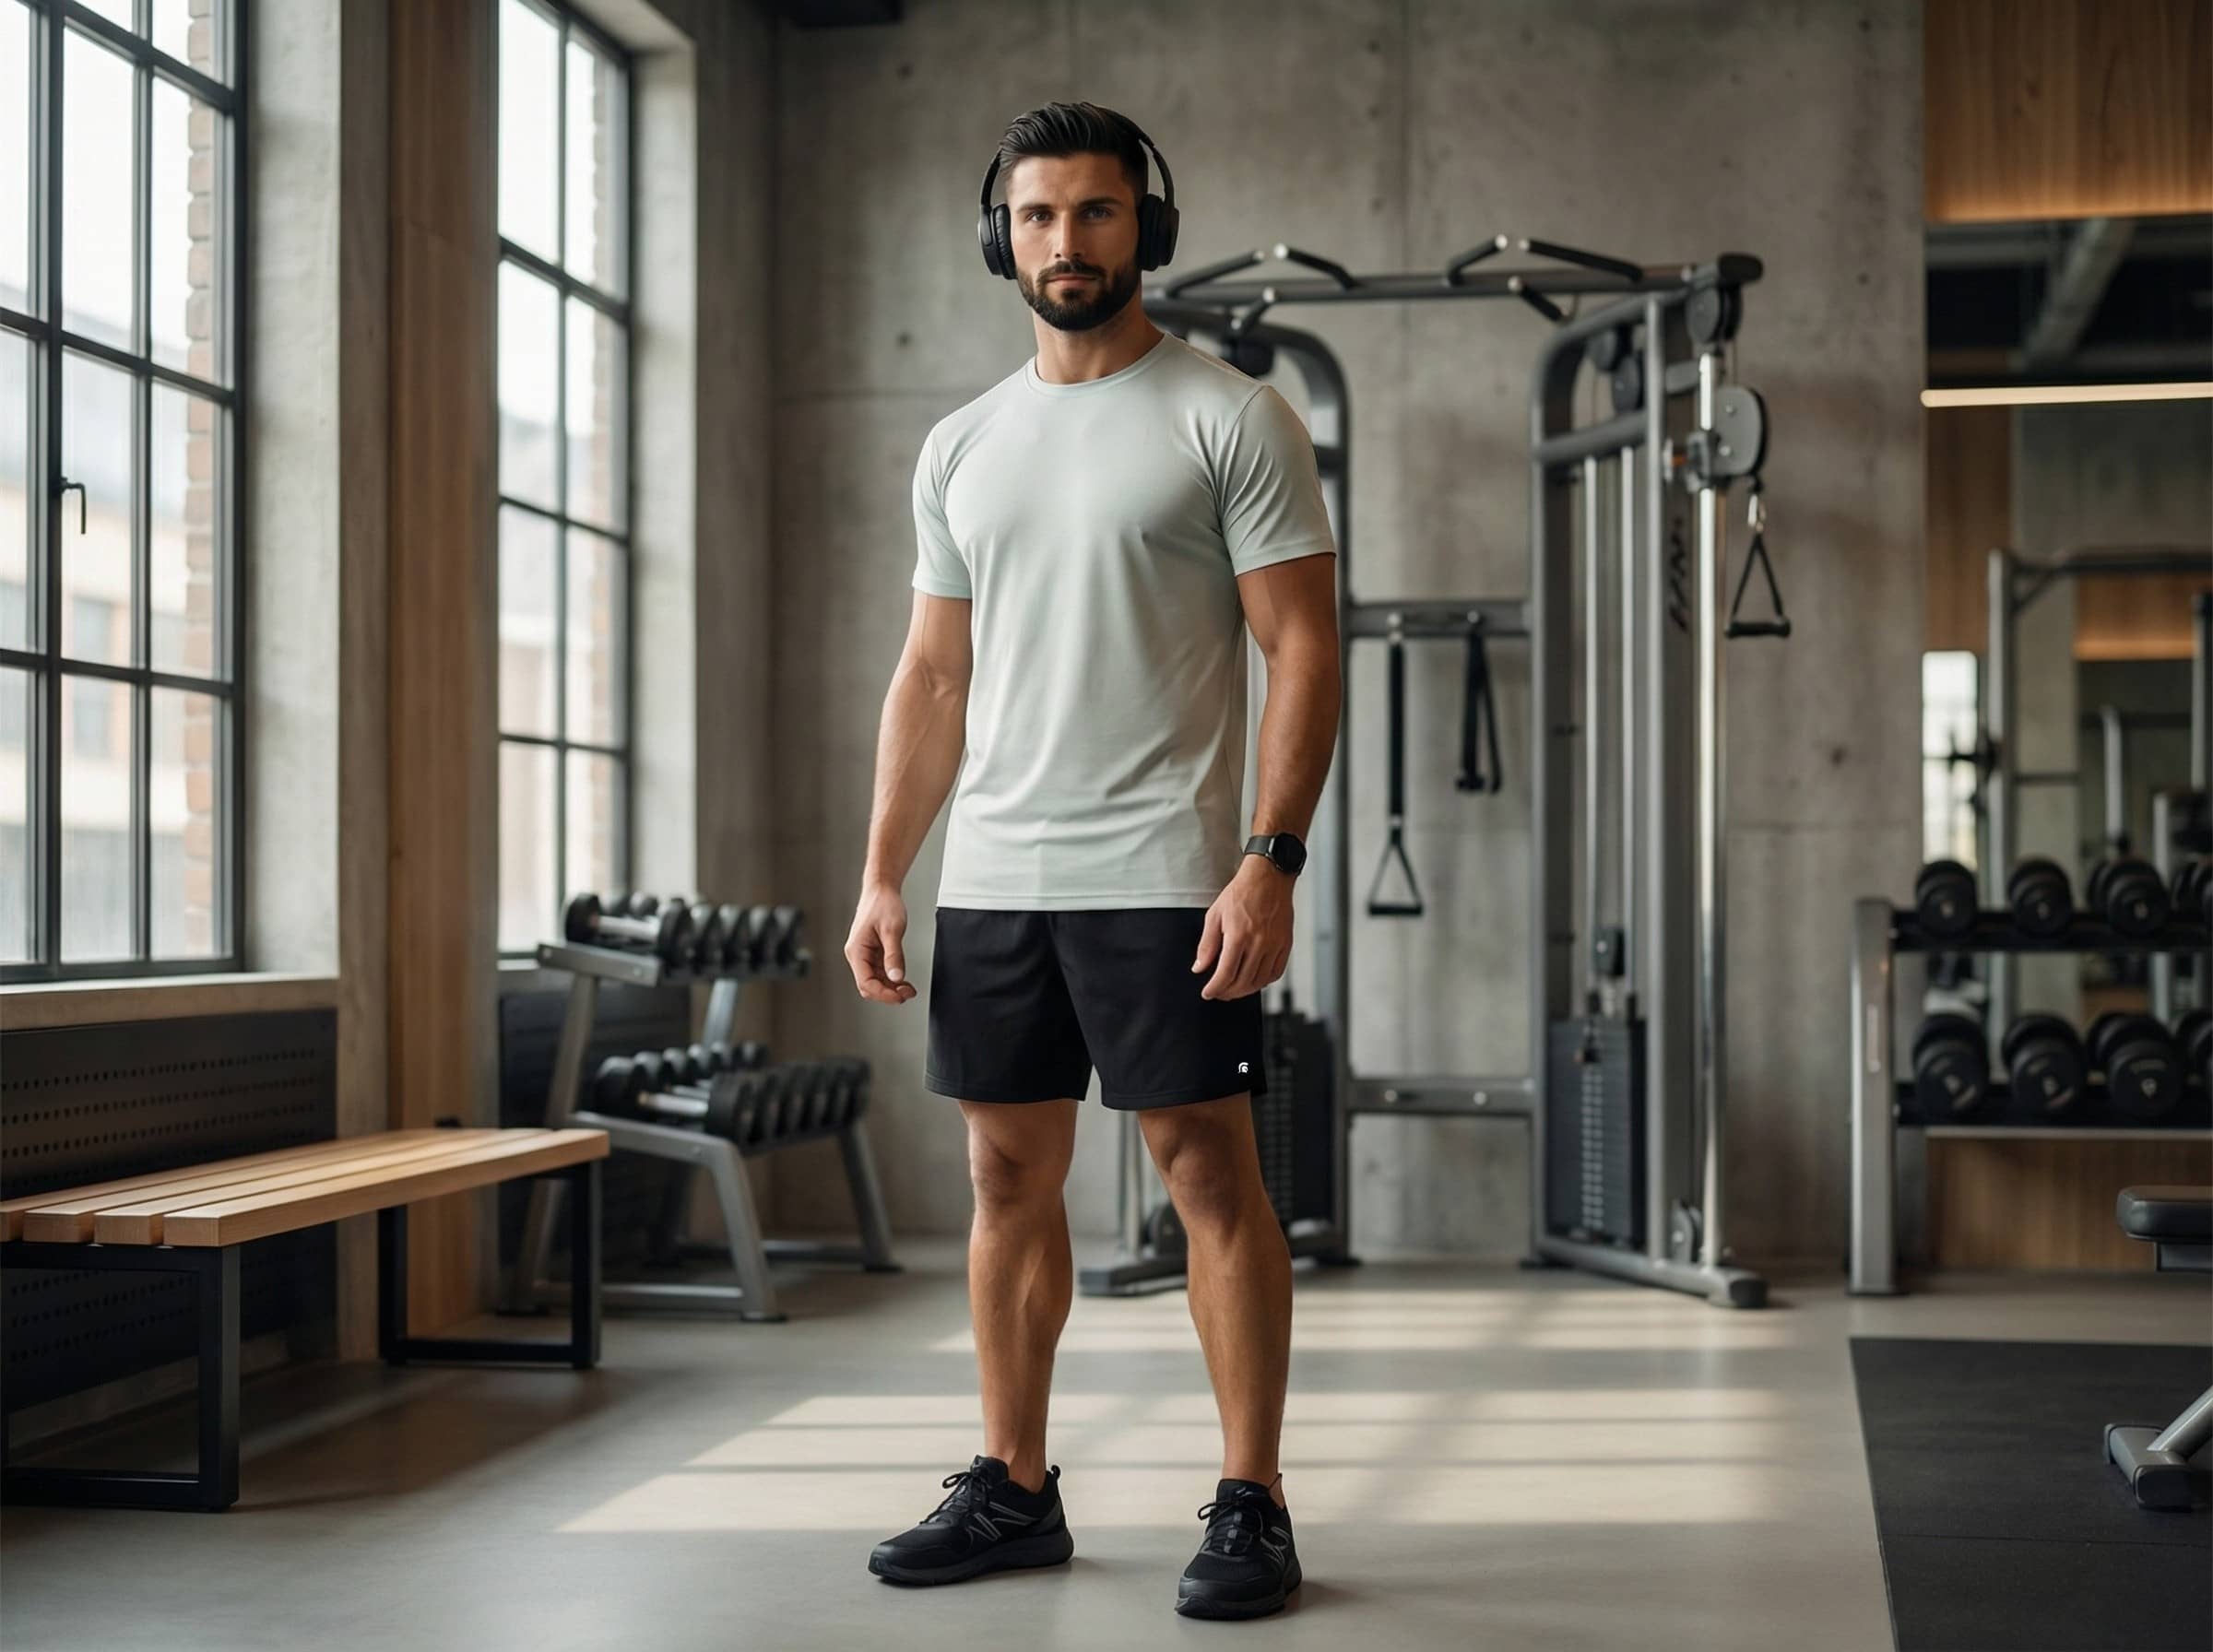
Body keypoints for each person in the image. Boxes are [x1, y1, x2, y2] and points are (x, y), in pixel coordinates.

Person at [844, 100, 1341, 1622]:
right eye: (1042, 214)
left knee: (1206, 1173)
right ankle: (1014, 1485)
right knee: (1006, 1176)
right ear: (1004, 235)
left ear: (1148, 227)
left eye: (1100, 212)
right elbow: (934, 677)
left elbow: (1304, 646)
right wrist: (883, 872)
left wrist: (1271, 858)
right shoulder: (963, 442)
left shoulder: (1229, 415)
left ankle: (1251, 1501)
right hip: (999, 874)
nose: (1069, 240)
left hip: (1166, 871)